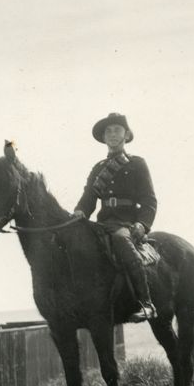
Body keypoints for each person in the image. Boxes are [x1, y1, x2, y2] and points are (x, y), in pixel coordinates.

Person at [73, 112, 157, 322]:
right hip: (102, 223)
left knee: (121, 240)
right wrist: (80, 210)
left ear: (126, 134)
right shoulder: (98, 168)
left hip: (125, 224)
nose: (112, 134)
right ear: (103, 137)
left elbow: (149, 200)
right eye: (108, 131)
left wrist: (142, 224)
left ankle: (146, 303)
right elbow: (89, 198)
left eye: (117, 130)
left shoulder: (137, 163)